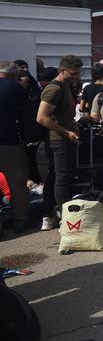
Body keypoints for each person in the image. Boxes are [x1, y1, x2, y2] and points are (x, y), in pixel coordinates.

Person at [36, 55, 82, 231]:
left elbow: (60, 114)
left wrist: (72, 124)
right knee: (61, 178)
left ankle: (51, 215)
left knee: (58, 176)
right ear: (62, 70)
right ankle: (63, 216)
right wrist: (65, 131)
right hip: (58, 140)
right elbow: (41, 117)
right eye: (73, 73)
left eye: (78, 73)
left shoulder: (65, 86)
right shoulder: (54, 88)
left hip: (63, 137)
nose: (76, 76)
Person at [0, 61, 31, 232]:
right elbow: (24, 112)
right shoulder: (14, 88)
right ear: (13, 75)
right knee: (17, 183)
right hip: (9, 142)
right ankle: (20, 221)